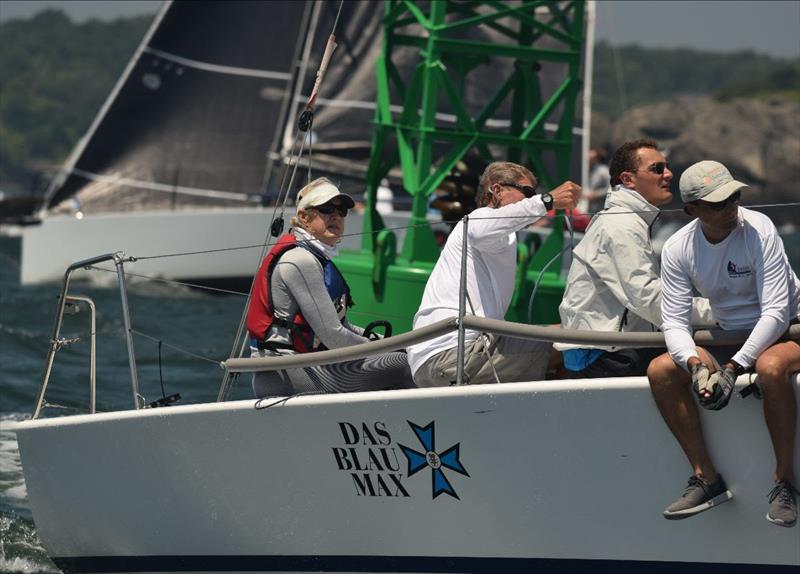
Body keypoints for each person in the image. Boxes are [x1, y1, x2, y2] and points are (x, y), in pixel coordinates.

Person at [648, 160, 800, 527]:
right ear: (692, 210)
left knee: (770, 367)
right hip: (730, 338)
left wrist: (733, 368)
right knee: (661, 371)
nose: (731, 208)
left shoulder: (758, 228)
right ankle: (707, 479)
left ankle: (785, 483)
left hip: (790, 329)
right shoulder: (678, 247)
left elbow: (777, 311)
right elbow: (673, 320)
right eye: (718, 204)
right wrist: (695, 365)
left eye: (733, 197)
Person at [407, 161, 581, 386]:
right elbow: (481, 231)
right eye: (526, 193)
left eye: (533, 194)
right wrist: (546, 201)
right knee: (577, 344)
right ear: (497, 190)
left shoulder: (501, 235)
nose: (530, 199)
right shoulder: (479, 218)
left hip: (447, 356)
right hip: (454, 355)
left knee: (569, 332)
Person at [556, 139, 713, 378]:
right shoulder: (621, 225)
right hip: (603, 356)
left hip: (606, 348)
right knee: (708, 358)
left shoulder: (626, 220)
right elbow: (649, 298)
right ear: (628, 179)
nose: (669, 174)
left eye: (667, 166)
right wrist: (719, 312)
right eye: (657, 169)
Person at [246, 177, 413, 397]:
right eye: (326, 209)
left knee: (405, 355)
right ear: (304, 217)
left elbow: (344, 326)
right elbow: (333, 336)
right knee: (404, 365)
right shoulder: (300, 260)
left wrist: (393, 343)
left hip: (307, 367)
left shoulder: (316, 257)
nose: (336, 216)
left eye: (342, 210)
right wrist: (387, 350)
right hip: (283, 376)